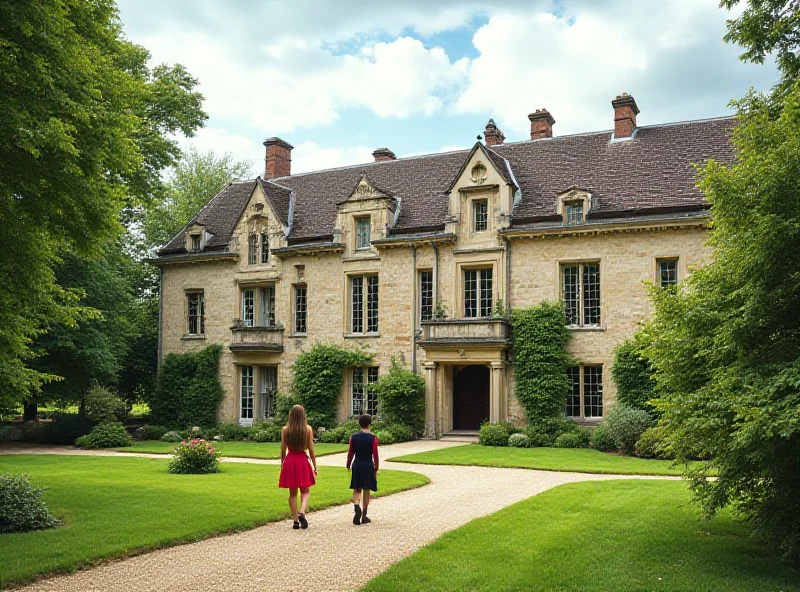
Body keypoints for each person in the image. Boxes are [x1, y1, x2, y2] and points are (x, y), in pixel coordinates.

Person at [279, 404, 317, 529]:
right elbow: (311, 450)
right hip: (302, 460)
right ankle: (302, 511)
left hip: (290, 460)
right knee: (305, 491)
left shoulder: (285, 430)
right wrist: (315, 466)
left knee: (292, 493)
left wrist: (282, 464)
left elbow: (283, 450)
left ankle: (295, 521)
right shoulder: (308, 429)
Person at [346, 414, 379, 525]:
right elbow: (375, 454)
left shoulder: (353, 437)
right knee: (366, 489)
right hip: (368, 464)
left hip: (357, 464)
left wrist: (348, 464)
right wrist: (376, 467)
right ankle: (364, 514)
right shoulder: (373, 438)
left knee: (356, 488)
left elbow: (351, 452)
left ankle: (356, 506)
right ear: (369, 424)